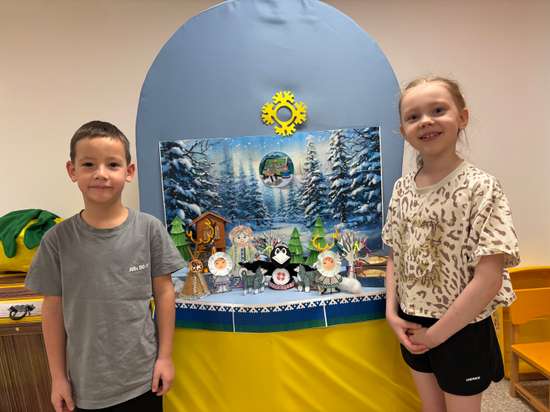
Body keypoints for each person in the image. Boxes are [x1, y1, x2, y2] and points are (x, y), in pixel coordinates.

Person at [25, 121, 185, 412]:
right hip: (85, 386)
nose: (101, 173)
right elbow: (52, 309)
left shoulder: (149, 230)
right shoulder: (56, 240)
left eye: (112, 164)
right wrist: (58, 378)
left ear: (129, 171)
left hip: (144, 380)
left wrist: (165, 357)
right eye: (88, 164)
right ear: (72, 171)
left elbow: (164, 294)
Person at [382, 77, 520, 412]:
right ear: (403, 131)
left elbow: (488, 279)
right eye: (413, 116)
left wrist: (436, 336)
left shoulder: (481, 188)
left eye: (438, 110)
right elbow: (395, 255)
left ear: (462, 117)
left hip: (462, 328)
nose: (425, 121)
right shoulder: (402, 189)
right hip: (413, 322)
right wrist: (391, 313)